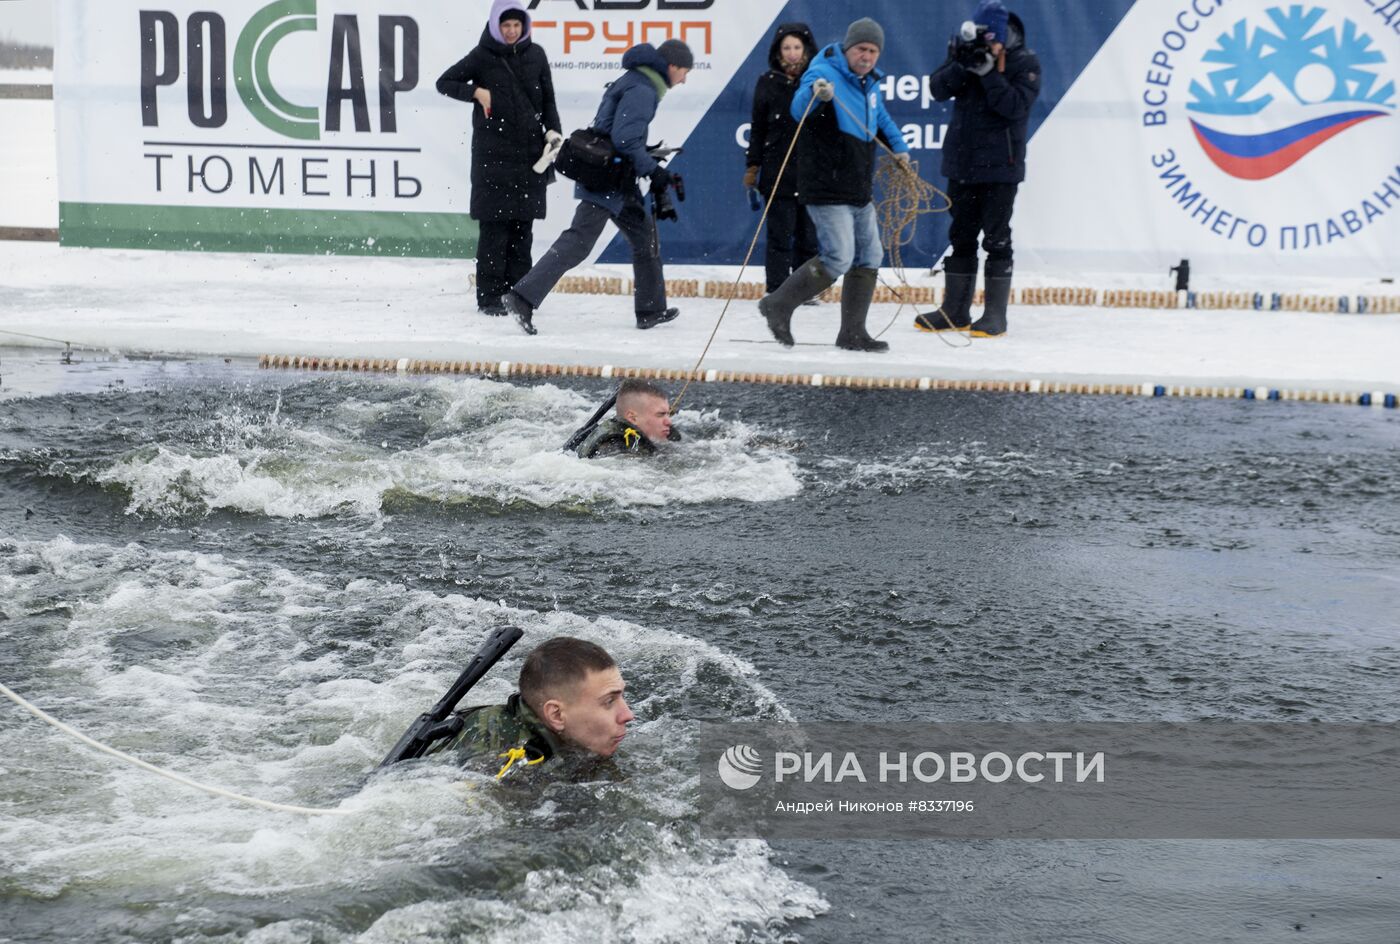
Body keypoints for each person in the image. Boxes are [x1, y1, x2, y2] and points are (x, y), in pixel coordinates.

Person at [502, 40, 694, 336]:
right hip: (607, 178)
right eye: (684, 72)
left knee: (645, 237)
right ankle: (522, 297)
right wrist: (653, 170)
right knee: (579, 241)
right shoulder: (643, 89)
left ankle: (651, 310)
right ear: (671, 66)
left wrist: (648, 155)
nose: (685, 80)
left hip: (617, 176)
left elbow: (619, 133)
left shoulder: (638, 81)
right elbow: (625, 138)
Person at [758, 18, 911, 353]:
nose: (867, 56)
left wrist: (899, 148)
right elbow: (799, 109)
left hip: (856, 187)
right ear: (848, 48)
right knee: (838, 257)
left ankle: (852, 333)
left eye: (873, 51)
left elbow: (881, 116)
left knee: (870, 255)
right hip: (826, 185)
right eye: (862, 49)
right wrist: (817, 94)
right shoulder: (823, 71)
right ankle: (778, 303)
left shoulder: (869, 82)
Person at [918, 0, 1040, 338]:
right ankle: (955, 310)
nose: (990, 47)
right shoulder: (965, 51)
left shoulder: (1024, 61)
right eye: (986, 40)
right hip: (962, 165)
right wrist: (964, 65)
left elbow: (1014, 107)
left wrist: (989, 75)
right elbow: (937, 89)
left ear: (1004, 37)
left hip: (1002, 168)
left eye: (994, 41)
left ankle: (995, 316)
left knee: (997, 240)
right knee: (960, 237)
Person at [436, 1, 562, 317]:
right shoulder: (482, 56)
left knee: (522, 231)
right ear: (495, 26)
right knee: (494, 232)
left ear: (524, 26)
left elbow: (548, 99)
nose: (511, 31)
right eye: (505, 26)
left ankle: (518, 294)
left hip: (531, 158)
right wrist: (476, 92)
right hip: (492, 159)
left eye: (516, 26)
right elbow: (445, 82)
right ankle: (490, 298)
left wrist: (554, 132)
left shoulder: (536, 55)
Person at [435, 636, 634, 779]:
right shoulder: (501, 763)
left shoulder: (567, 737)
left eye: (621, 696)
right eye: (609, 702)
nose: (627, 715)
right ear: (556, 715)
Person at [744, 23, 820, 298]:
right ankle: (777, 289)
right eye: (786, 47)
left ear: (807, 49)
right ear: (778, 51)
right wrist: (752, 167)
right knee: (779, 235)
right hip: (778, 172)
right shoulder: (767, 82)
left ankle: (806, 291)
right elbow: (758, 128)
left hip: (812, 173)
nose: (791, 53)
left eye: (797, 47)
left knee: (809, 237)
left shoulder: (817, 81)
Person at [575, 378, 675, 458]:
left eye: (668, 414)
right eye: (660, 415)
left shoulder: (627, 433)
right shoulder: (614, 447)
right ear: (633, 418)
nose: (668, 422)